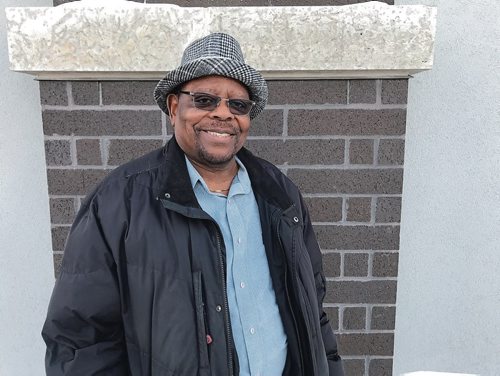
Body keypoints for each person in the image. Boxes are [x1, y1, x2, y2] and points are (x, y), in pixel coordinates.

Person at [42, 32, 343, 376]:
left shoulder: (280, 194)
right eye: (204, 100)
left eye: (238, 105)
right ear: (174, 108)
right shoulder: (118, 203)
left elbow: (311, 309)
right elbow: (80, 340)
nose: (223, 115)